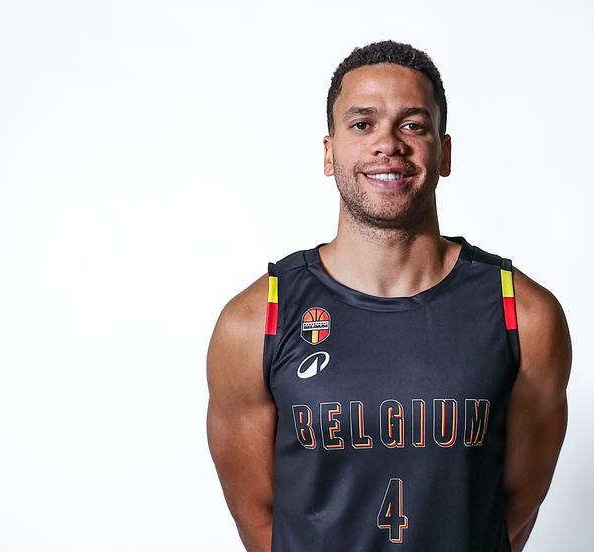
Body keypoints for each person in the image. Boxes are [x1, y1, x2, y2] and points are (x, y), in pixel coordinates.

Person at [206, 40, 572, 552]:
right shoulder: (255, 321)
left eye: (413, 125)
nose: (388, 144)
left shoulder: (523, 315)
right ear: (330, 153)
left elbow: (514, 509)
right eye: (363, 124)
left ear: (444, 153)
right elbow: (259, 520)